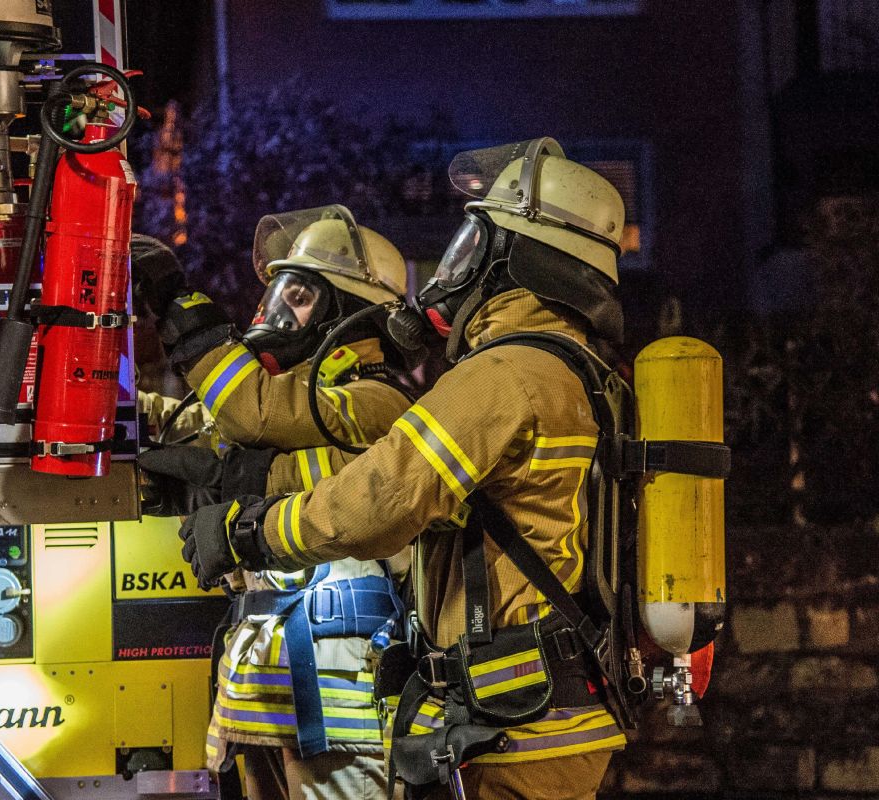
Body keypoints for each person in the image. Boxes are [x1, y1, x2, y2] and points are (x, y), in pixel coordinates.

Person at [174, 139, 631, 799]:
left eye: (473, 245)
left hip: (519, 721)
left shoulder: (504, 375)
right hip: (541, 709)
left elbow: (382, 497)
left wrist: (253, 529)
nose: (454, 269)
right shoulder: (580, 374)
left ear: (520, 257)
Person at [131, 205, 417, 800]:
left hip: (342, 711)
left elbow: (255, 410)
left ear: (351, 312)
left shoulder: (379, 401)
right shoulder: (284, 409)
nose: (274, 311)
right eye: (278, 291)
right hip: (262, 695)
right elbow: (188, 430)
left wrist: (183, 309)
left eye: (300, 294)